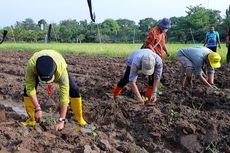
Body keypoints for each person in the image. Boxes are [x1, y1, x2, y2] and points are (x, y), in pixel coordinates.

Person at [21, 50, 87, 130]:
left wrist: (61, 120)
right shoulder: (31, 66)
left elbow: (64, 96)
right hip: (37, 67)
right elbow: (30, 88)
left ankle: (78, 117)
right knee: (27, 90)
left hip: (58, 62)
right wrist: (38, 108)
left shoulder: (61, 70)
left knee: (74, 89)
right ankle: (32, 119)